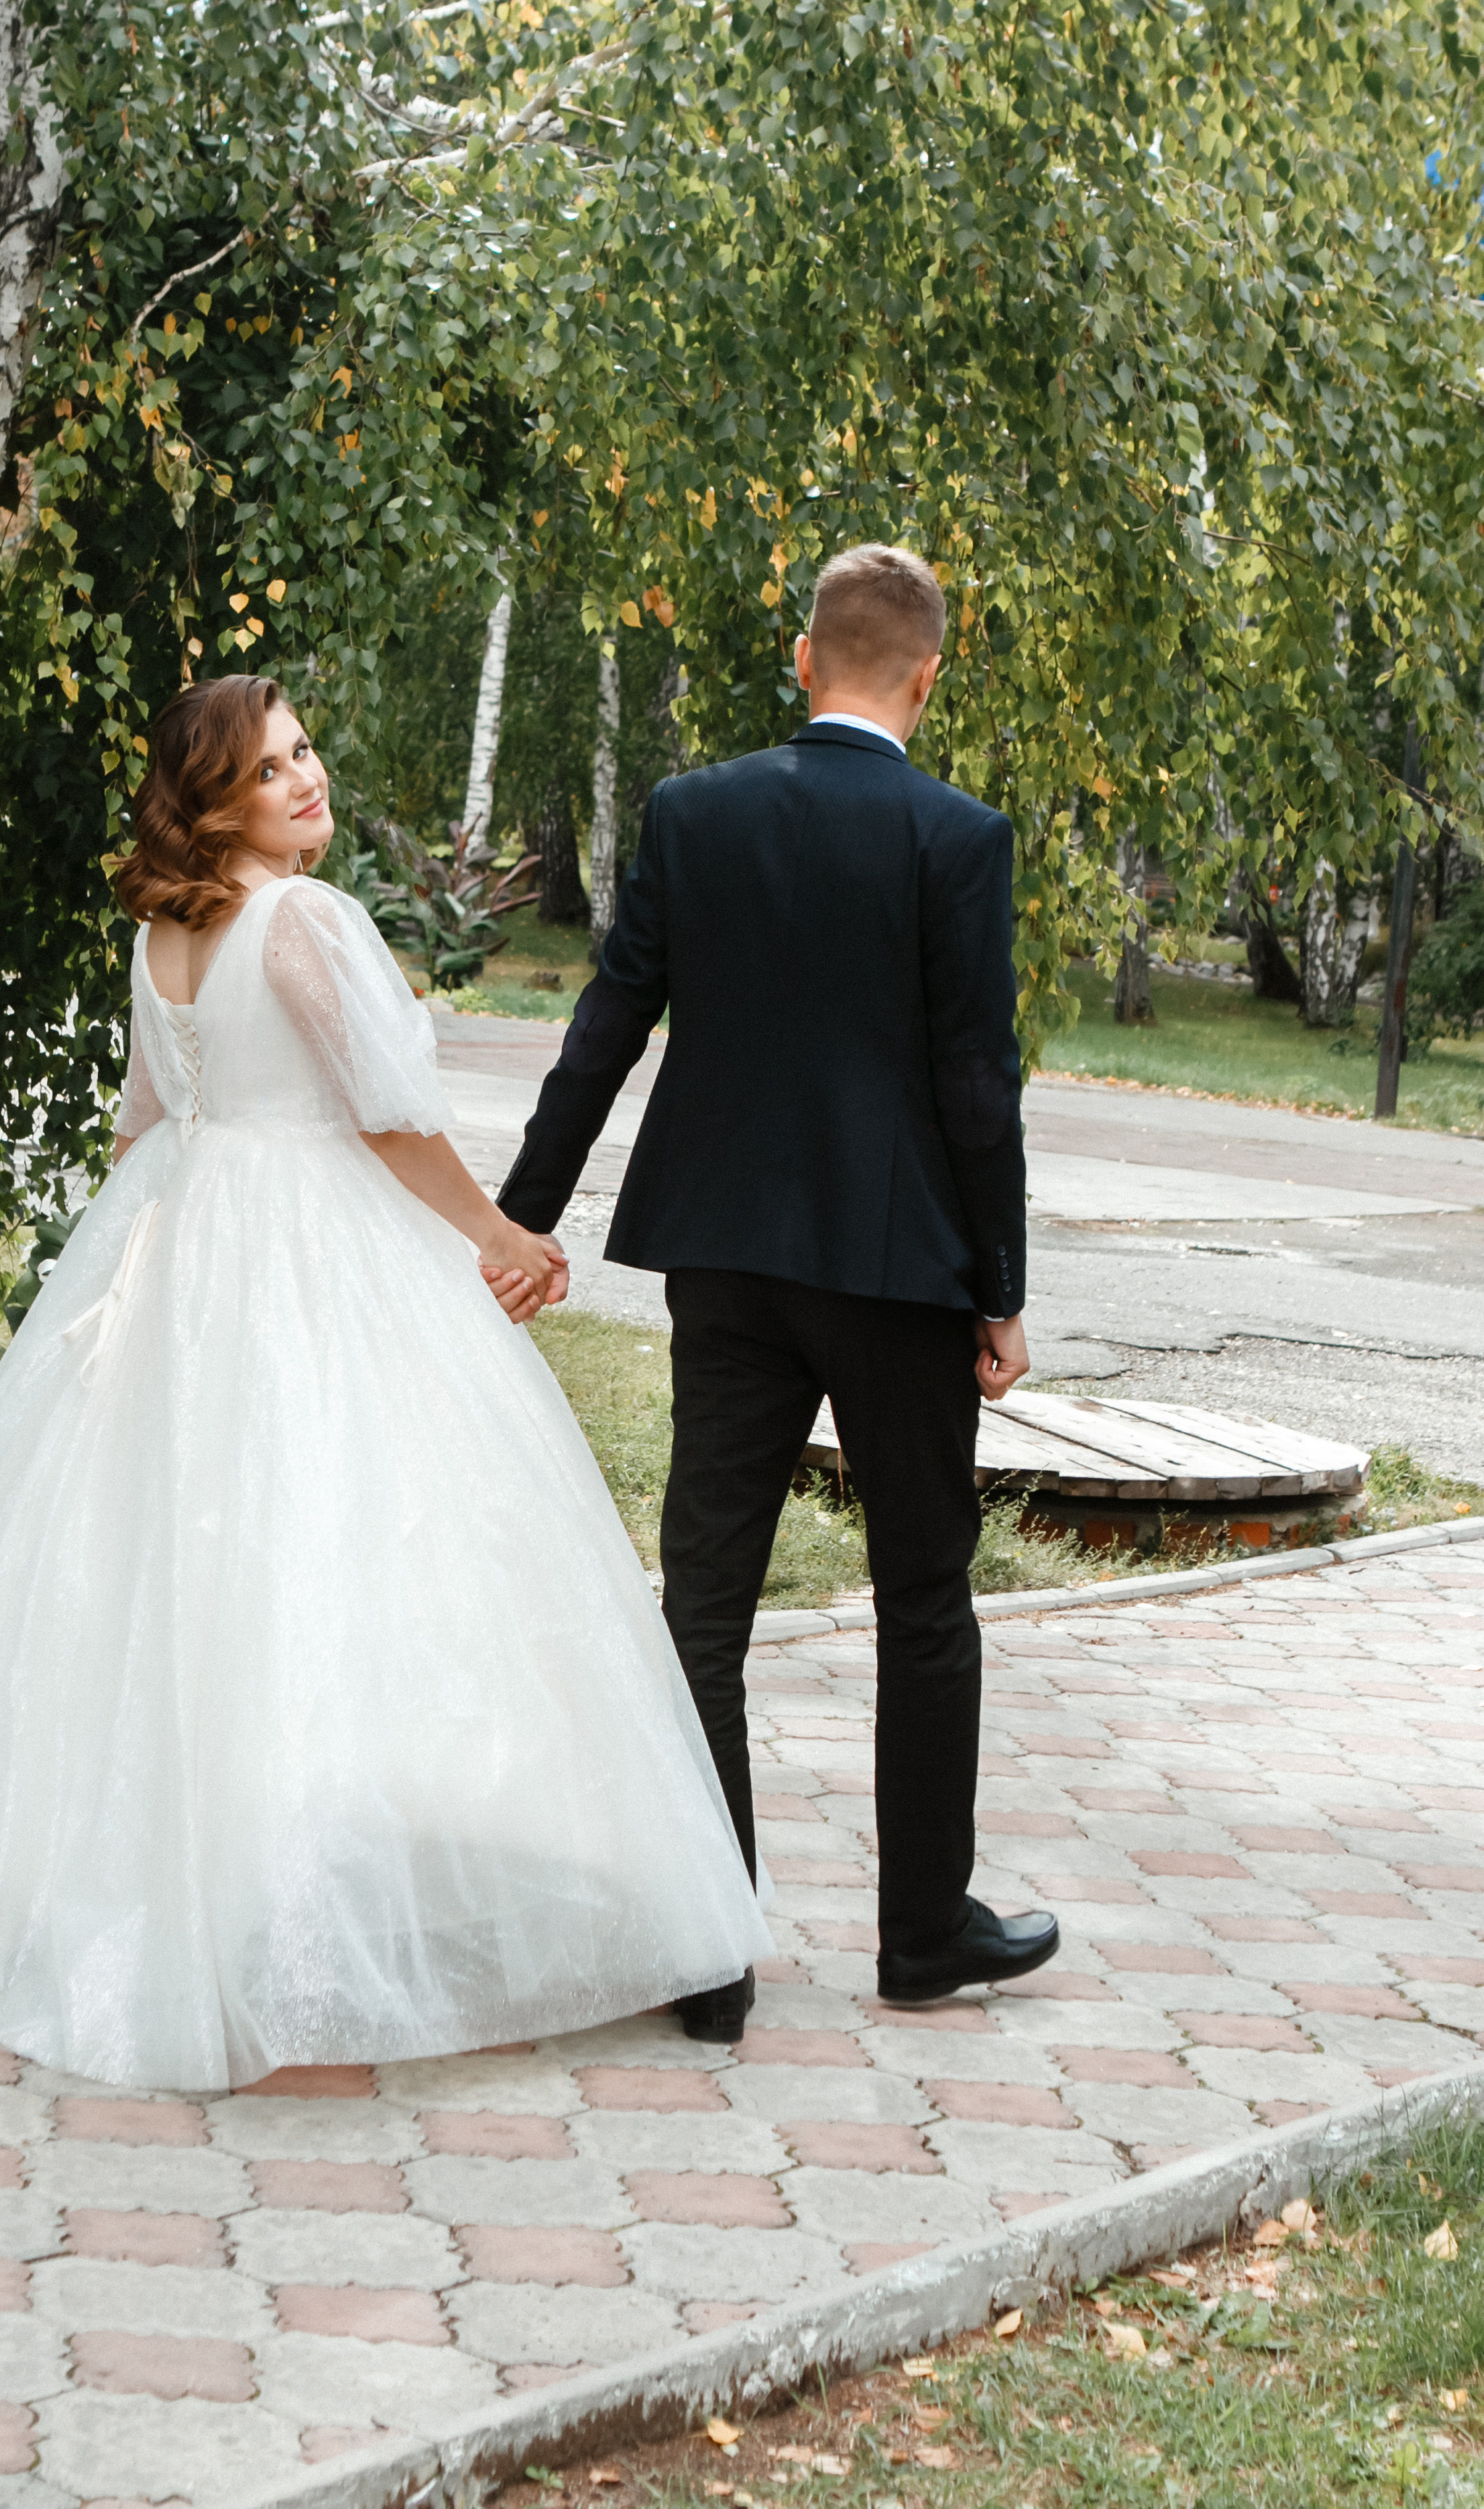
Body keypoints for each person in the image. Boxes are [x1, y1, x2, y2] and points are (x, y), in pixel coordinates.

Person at [0, 674, 771, 2091]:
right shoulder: (302, 920)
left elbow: (142, 1131)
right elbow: (383, 1113)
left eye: (304, 753)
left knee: (202, 1557)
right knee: (347, 1534)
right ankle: (310, 1922)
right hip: (304, 1243)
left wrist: (123, 1285)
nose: (305, 780)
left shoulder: (164, 935)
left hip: (193, 1232)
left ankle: (227, 1878)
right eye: (269, 768)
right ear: (218, 801)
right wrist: (492, 1233)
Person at [497, 543, 1060, 2043]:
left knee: (705, 1605)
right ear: (923, 680)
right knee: (924, 1598)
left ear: (804, 659)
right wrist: (996, 1290)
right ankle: (922, 1937)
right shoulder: (956, 837)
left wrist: (519, 1218)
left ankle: (709, 1951)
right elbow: (974, 1087)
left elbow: (601, 1030)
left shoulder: (693, 814)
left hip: (725, 1267)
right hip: (898, 1281)